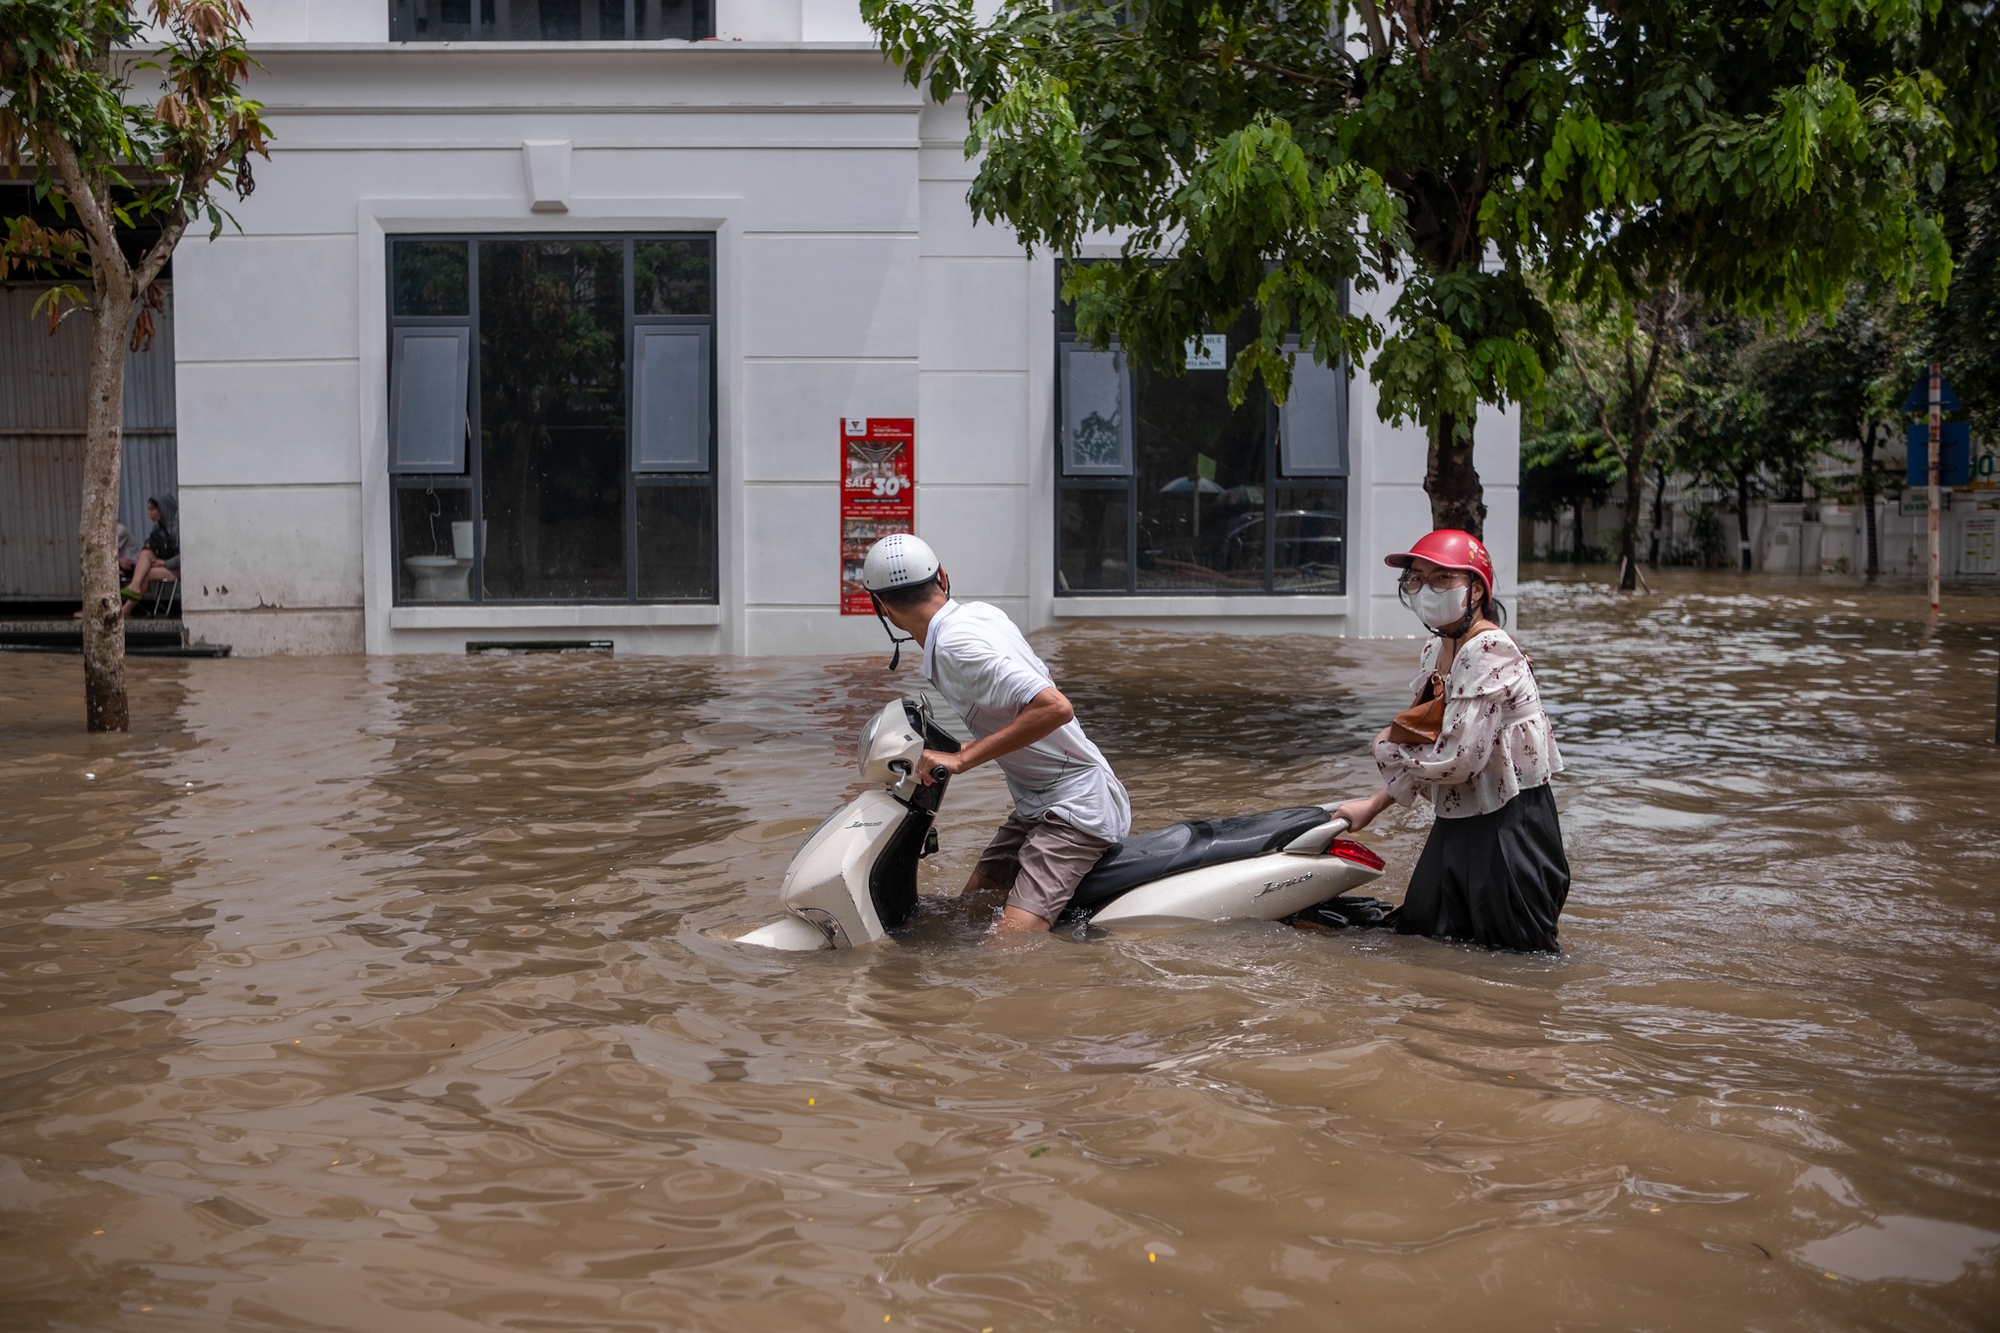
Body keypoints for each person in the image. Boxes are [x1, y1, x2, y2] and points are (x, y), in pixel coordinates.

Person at [861, 533, 1131, 935]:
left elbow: (1055, 706)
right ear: (943, 578)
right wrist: (977, 743)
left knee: (1006, 949)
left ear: (879, 606)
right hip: (1036, 802)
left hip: (1075, 810)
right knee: (965, 910)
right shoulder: (979, 616)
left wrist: (963, 758)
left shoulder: (956, 645)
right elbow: (1039, 682)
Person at [1333, 529, 1570, 952]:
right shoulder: (1437, 647)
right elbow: (1426, 736)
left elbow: (1458, 759)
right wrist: (1372, 805)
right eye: (1417, 578)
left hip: (1510, 824)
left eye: (1442, 578)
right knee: (1426, 937)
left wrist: (1384, 748)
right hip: (1460, 818)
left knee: (1520, 960)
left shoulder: (1489, 650)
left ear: (1476, 589)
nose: (1426, 590)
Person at [123, 494, 180, 615]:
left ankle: (126, 609)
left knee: (147, 573)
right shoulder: (157, 529)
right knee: (146, 553)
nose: (151, 513)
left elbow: (186, 557)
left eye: (154, 509)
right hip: (165, 564)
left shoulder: (178, 528)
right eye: (149, 509)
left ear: (163, 509)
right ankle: (135, 585)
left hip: (180, 569)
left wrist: (164, 563)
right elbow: (150, 546)